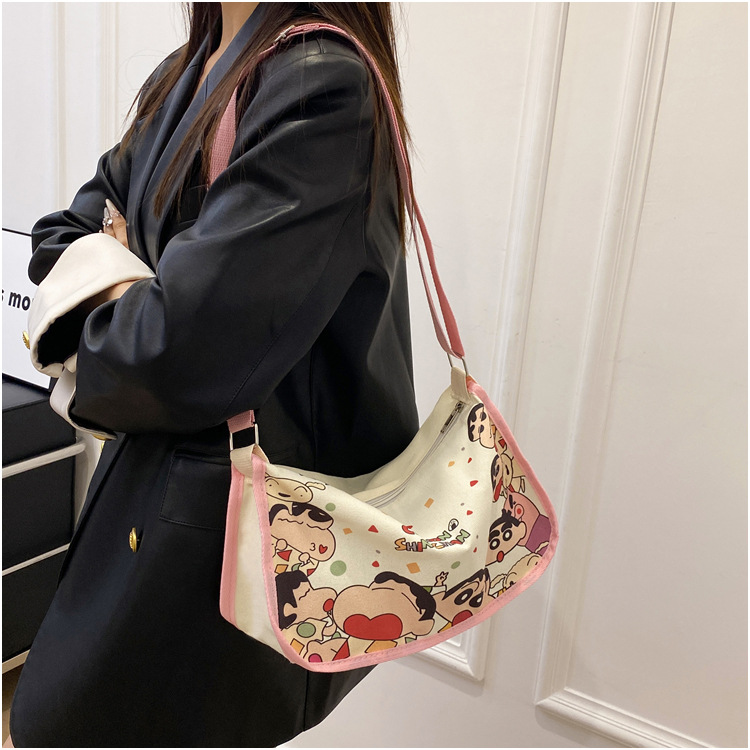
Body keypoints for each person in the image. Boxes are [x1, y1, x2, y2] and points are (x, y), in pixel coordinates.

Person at [7, 2, 420, 746]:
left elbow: (170, 354)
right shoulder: (187, 73)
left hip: (228, 531)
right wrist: (149, 298)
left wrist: (123, 281)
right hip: (163, 494)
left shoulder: (318, 86)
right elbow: (57, 237)